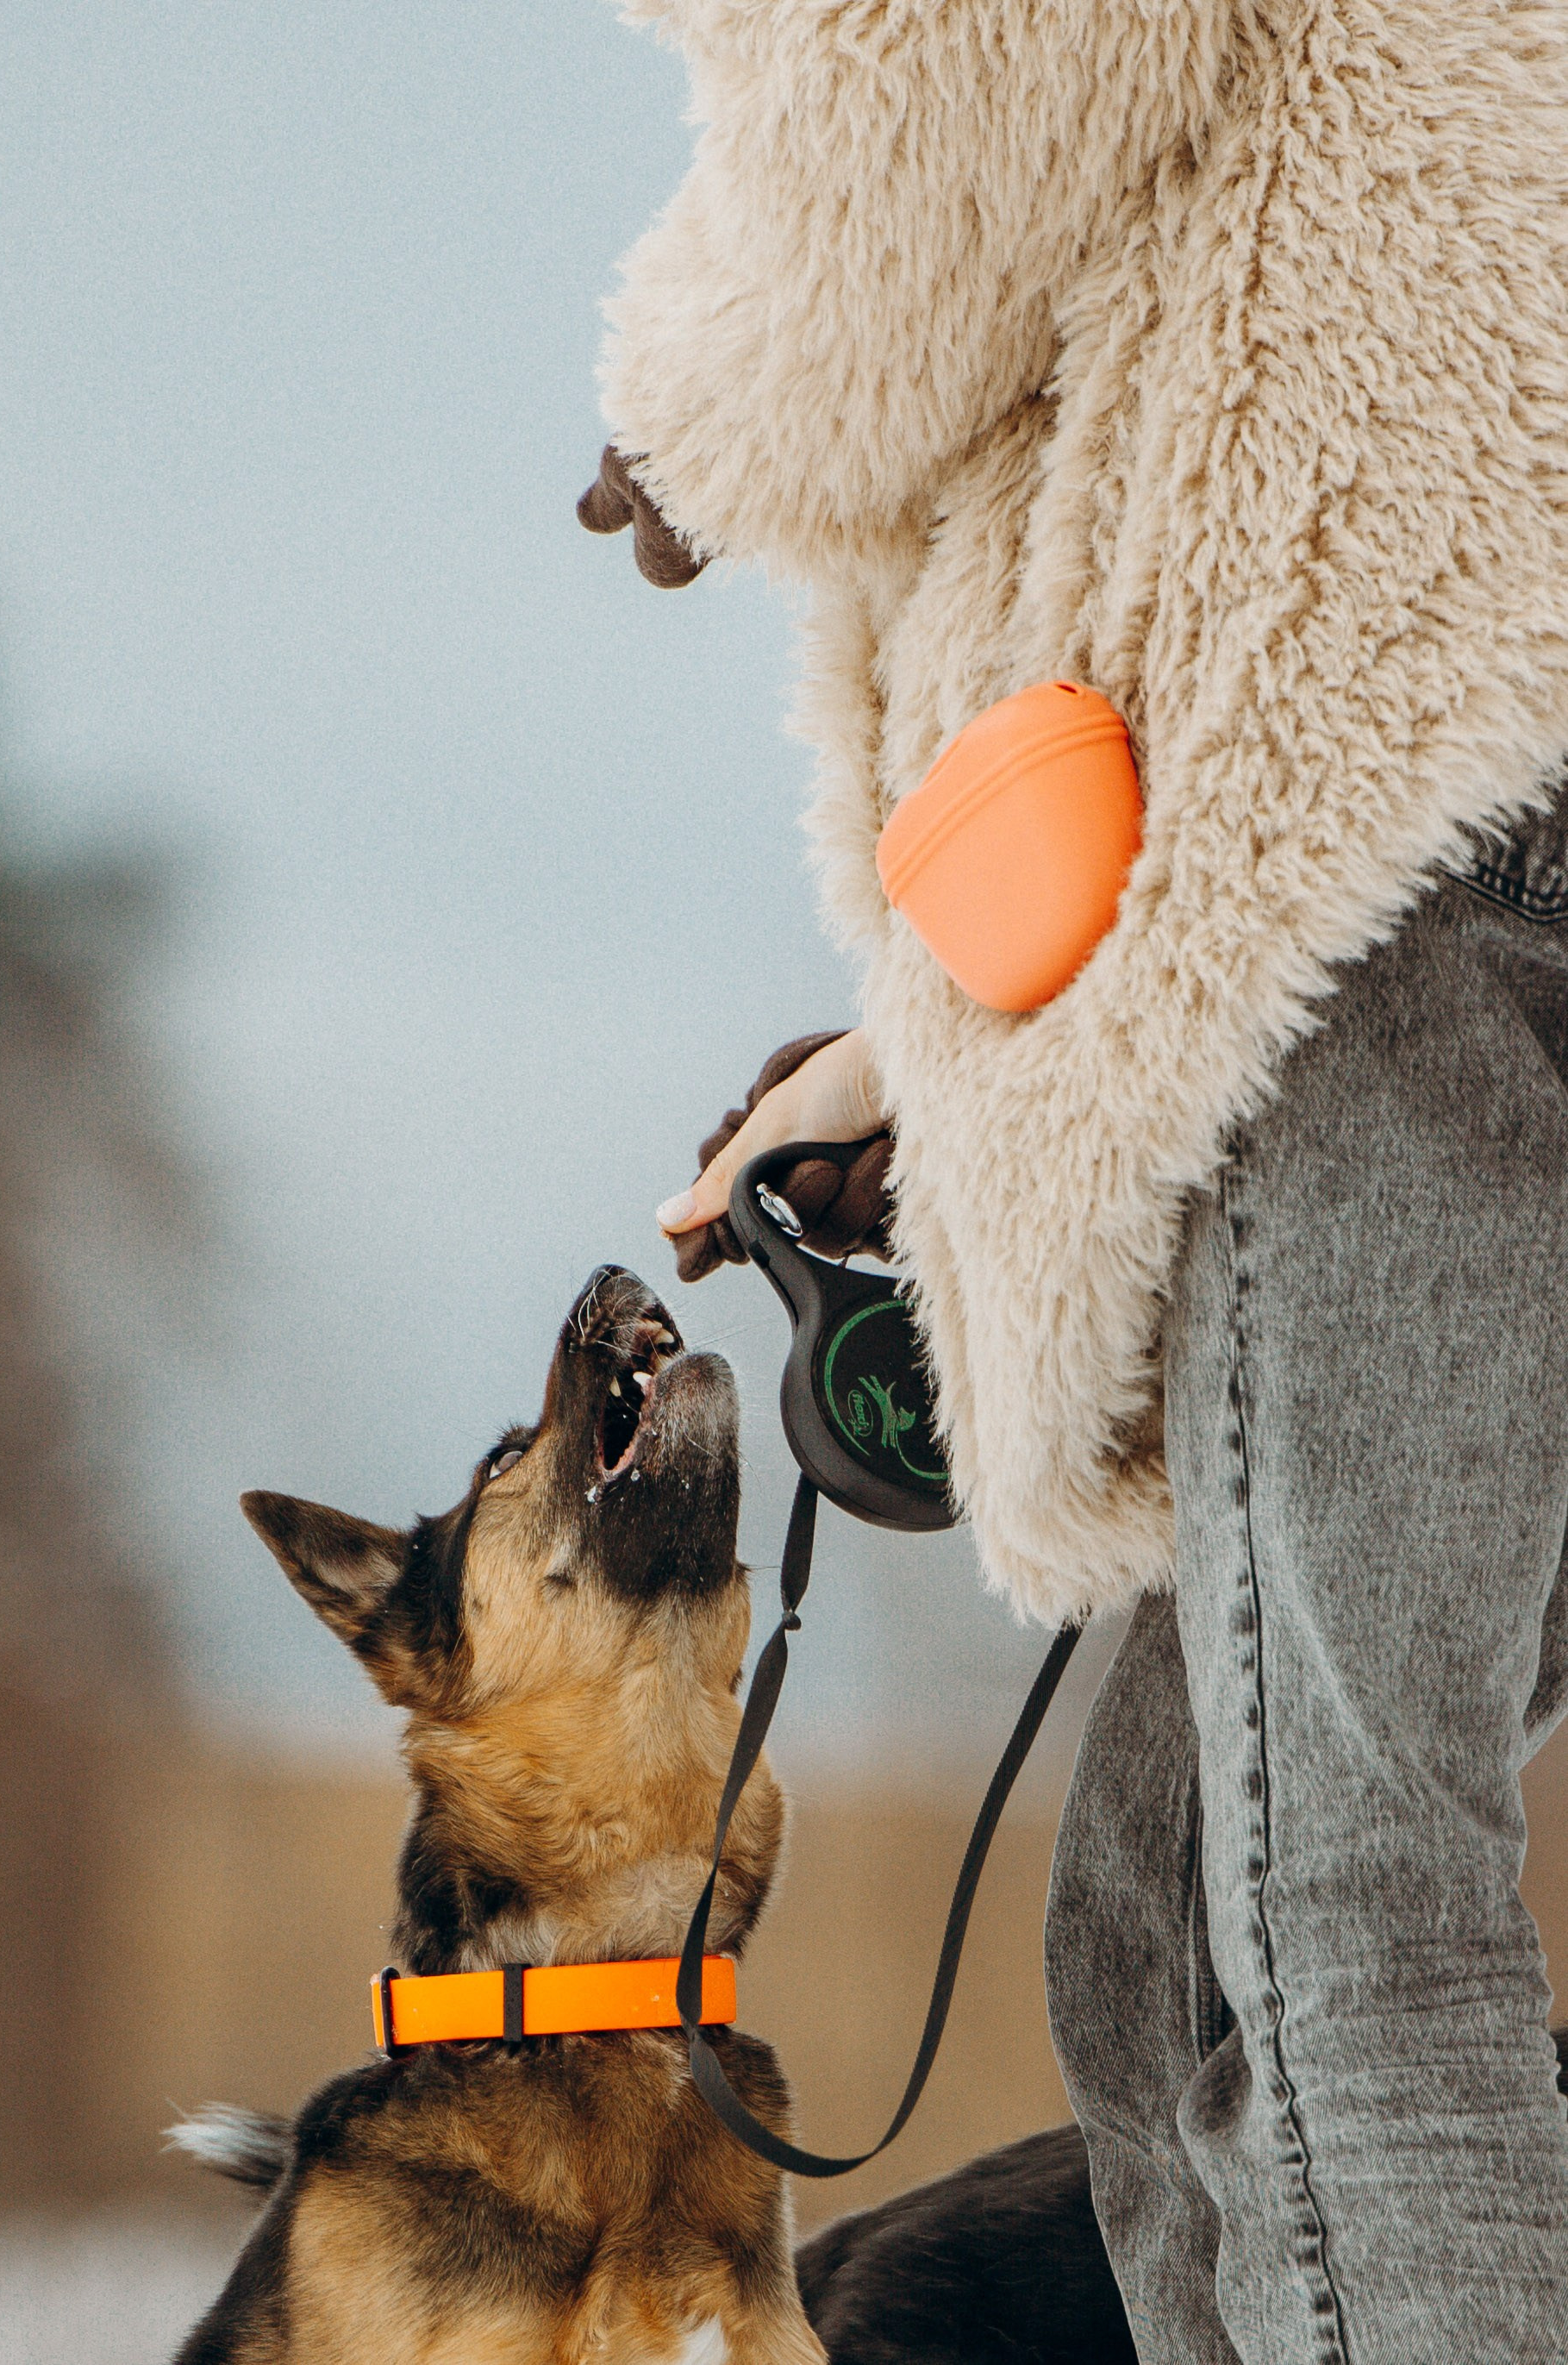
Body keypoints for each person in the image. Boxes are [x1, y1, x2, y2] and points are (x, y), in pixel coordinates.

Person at [577, 4, 1568, 2358]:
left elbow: (936, 121)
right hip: (1464, 803)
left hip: (1384, 824)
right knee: (1163, 1917)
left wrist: (690, 406)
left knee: (1335, 1907)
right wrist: (922, 1049)